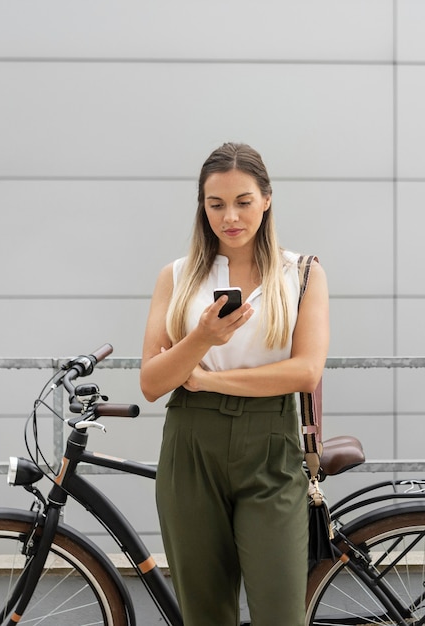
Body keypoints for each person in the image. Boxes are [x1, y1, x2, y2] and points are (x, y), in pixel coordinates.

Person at [140, 142, 329, 626]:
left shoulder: (302, 273)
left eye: (243, 202)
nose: (230, 217)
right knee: (205, 614)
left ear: (266, 199)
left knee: (281, 613)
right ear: (201, 206)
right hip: (191, 446)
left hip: (271, 444)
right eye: (216, 204)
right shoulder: (177, 277)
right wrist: (202, 336)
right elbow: (152, 382)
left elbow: (305, 372)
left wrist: (207, 381)